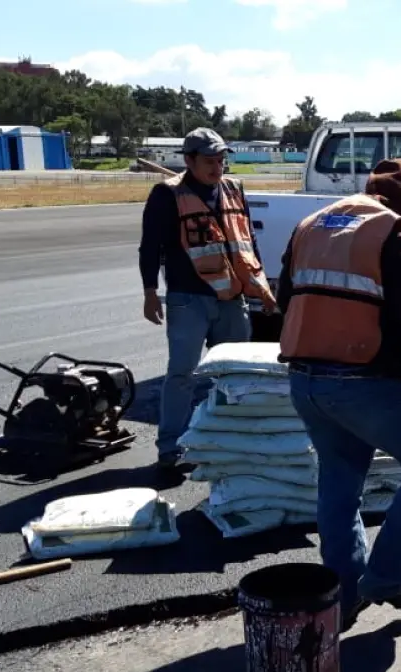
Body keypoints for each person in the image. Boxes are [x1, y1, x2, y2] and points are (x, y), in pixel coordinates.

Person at [277, 158, 401, 631]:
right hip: (365, 382)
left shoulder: (313, 224)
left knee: (340, 480)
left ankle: (344, 595)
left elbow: (288, 297)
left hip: (305, 381)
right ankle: (388, 579)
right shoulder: (398, 236)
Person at [138, 127, 277, 471]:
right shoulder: (167, 195)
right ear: (189, 160)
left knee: (237, 374)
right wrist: (150, 292)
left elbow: (248, 243)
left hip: (232, 297)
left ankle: (233, 440)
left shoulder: (233, 189)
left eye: (221, 160)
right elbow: (150, 246)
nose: (218, 168)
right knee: (182, 374)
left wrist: (261, 286)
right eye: (210, 161)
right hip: (189, 299)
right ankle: (171, 447)